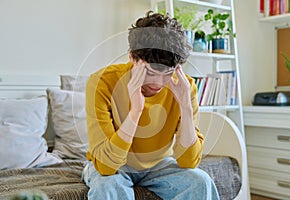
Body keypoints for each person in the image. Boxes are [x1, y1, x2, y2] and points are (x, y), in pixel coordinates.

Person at [82, 11, 220, 200]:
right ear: (132, 57)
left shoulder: (184, 87)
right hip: (113, 166)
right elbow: (106, 166)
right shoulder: (101, 82)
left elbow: (188, 161)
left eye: (167, 73)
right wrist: (135, 110)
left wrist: (185, 107)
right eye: (150, 72)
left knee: (200, 181)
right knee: (108, 187)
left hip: (158, 165)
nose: (158, 83)